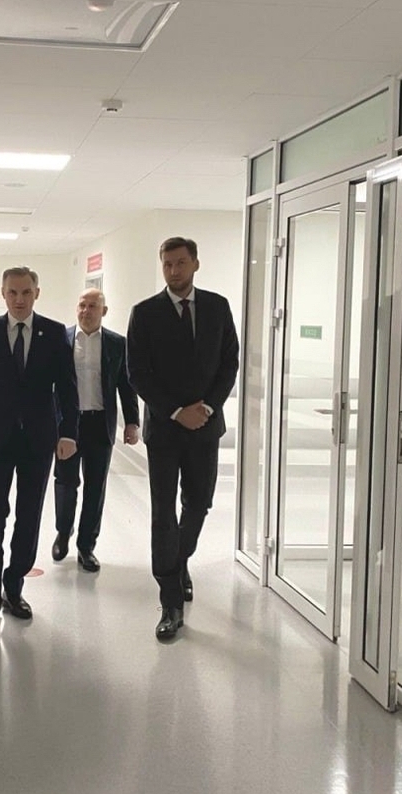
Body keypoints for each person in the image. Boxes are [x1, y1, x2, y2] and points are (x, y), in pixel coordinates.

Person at [126, 237, 239, 641]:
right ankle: (170, 600)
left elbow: (229, 363)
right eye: (167, 264)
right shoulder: (145, 312)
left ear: (195, 264)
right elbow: (137, 373)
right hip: (164, 428)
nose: (173, 271)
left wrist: (206, 407)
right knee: (163, 512)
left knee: (199, 502)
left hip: (205, 426)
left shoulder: (217, 307)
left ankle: (178, 559)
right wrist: (176, 411)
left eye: (180, 263)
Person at [0, 267, 78, 620]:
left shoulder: (54, 333)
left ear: (37, 293)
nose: (19, 299)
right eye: (12, 292)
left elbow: (67, 387)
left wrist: (68, 432)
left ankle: (14, 583)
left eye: (26, 292)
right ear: (3, 293)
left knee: (29, 514)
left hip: (39, 440)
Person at [52, 288, 140, 573]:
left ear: (104, 311)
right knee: (65, 482)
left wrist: (132, 422)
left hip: (100, 424)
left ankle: (86, 546)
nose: (86, 311)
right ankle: (63, 532)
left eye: (92, 306)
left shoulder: (117, 343)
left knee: (95, 487)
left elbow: (126, 385)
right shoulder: (61, 340)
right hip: (67, 424)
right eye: (82, 305)